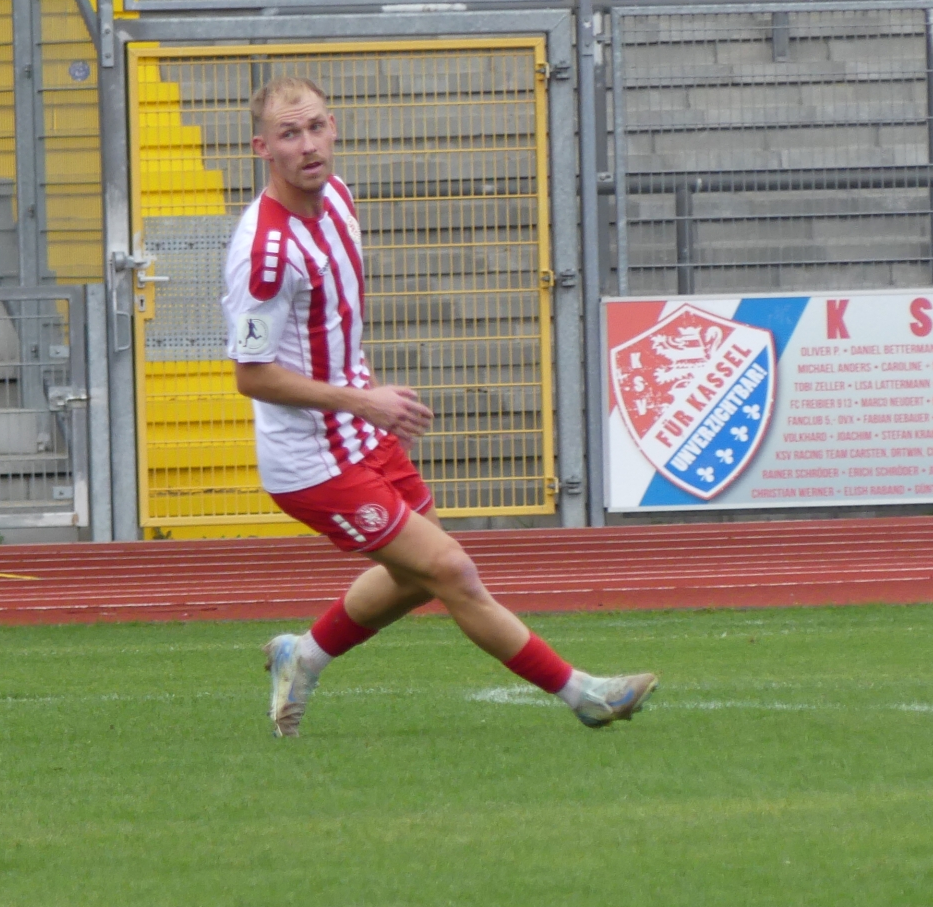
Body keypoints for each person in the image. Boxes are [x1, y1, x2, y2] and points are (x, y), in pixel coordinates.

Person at [222, 76, 656, 738]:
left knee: (418, 575)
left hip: (361, 429)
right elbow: (251, 375)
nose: (307, 145)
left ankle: (302, 655)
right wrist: (362, 400)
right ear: (263, 149)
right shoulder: (266, 253)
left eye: (315, 127)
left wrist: (367, 403)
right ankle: (585, 694)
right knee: (450, 568)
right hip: (312, 460)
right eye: (289, 134)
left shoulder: (337, 199)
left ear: (334, 127)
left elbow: (331, 326)